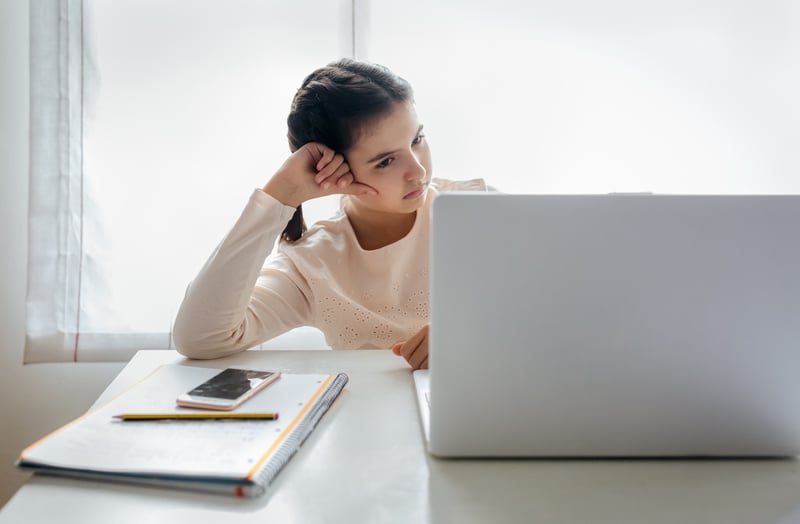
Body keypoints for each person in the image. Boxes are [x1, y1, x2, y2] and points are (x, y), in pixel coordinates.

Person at [172, 58, 487, 370]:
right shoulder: (313, 264)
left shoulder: (480, 210)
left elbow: (536, 314)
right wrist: (279, 195)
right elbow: (201, 339)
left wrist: (472, 336)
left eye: (417, 140)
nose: (418, 170)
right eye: (386, 161)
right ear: (334, 170)